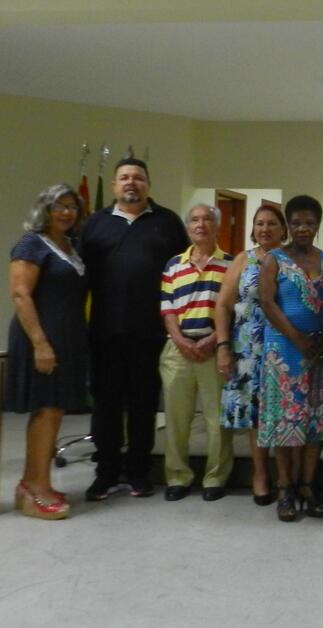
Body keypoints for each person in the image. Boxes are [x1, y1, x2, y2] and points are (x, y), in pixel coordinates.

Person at [80, 157, 189, 501]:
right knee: (106, 406)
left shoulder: (167, 222)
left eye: (138, 178)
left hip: (150, 332)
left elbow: (183, 272)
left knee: (144, 404)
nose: (131, 182)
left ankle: (139, 472)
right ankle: (106, 473)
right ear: (114, 185)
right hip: (105, 332)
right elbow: (79, 277)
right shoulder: (94, 224)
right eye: (124, 177)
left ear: (148, 185)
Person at [6, 184, 88, 519]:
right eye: (59, 206)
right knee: (46, 409)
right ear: (45, 209)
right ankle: (34, 488)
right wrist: (40, 343)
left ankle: (34, 483)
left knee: (54, 410)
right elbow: (20, 294)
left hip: (67, 338)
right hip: (40, 337)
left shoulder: (71, 245)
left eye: (72, 207)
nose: (66, 212)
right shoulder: (31, 244)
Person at [258, 195, 323, 522]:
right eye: (297, 223)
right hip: (284, 353)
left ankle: (308, 485)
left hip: (319, 352)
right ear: (288, 226)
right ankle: (285, 488)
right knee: (285, 423)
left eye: (310, 223)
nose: (303, 228)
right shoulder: (273, 259)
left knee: (315, 422)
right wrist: (297, 338)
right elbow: (267, 302)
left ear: (318, 225)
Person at [159, 204, 234, 501]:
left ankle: (215, 478)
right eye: (195, 220)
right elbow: (167, 308)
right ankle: (177, 476)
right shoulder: (172, 265)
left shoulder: (231, 264)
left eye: (207, 219)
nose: (201, 224)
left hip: (216, 349)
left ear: (217, 226)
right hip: (178, 350)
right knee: (177, 419)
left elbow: (234, 309)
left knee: (217, 420)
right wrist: (180, 340)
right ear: (188, 227)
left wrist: (215, 339)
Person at [216, 205, 287, 505]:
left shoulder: (291, 258)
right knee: (256, 415)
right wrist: (222, 346)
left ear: (283, 229)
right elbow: (223, 305)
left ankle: (286, 478)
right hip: (248, 348)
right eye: (259, 224)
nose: (265, 229)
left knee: (281, 412)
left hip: (283, 346)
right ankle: (259, 474)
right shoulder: (243, 260)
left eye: (272, 223)